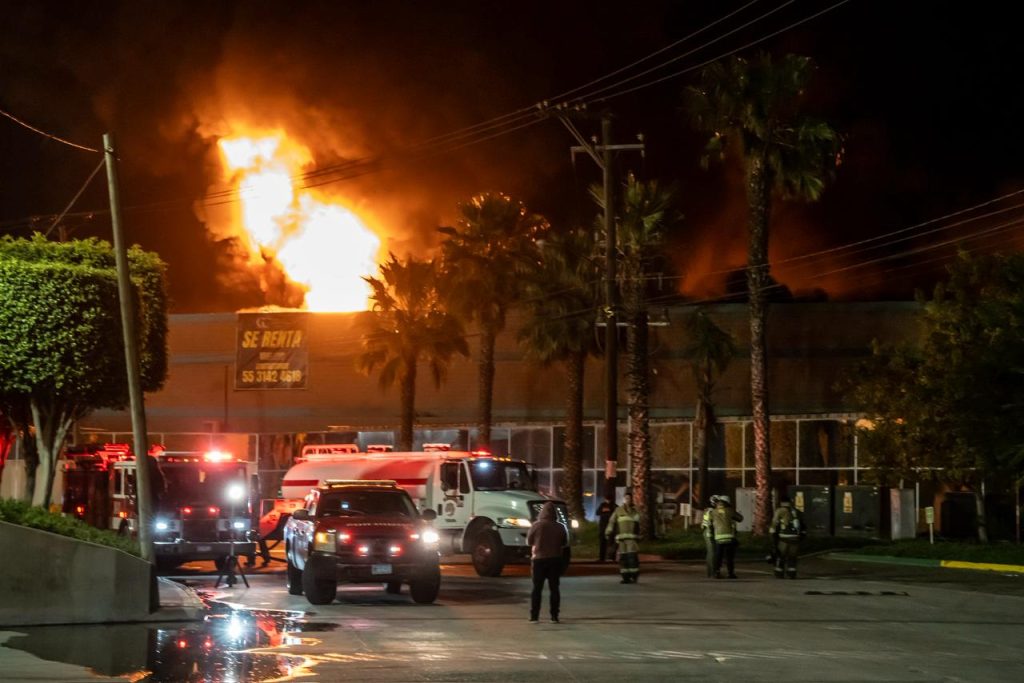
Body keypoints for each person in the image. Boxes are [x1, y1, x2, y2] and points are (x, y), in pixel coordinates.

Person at [526, 501, 568, 623]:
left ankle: (534, 616)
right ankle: (554, 616)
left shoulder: (536, 525)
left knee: (537, 589)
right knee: (554, 588)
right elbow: (564, 543)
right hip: (555, 559)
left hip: (539, 560)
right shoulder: (560, 526)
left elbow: (529, 541)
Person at [606, 491, 641, 584]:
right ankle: (625, 577)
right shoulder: (618, 510)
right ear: (624, 499)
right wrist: (608, 532)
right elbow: (612, 522)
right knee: (623, 559)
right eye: (626, 498)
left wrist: (639, 536)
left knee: (632, 558)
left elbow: (638, 525)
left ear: (631, 499)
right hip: (621, 540)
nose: (627, 500)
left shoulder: (635, 511)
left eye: (629, 498)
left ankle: (634, 576)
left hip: (631, 540)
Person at [770, 494, 805, 579]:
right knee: (792, 556)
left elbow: (774, 525)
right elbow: (803, 525)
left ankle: (779, 572)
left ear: (782, 502)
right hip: (795, 538)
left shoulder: (780, 511)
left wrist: (772, 537)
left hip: (784, 538)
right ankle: (792, 573)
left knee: (781, 556)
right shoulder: (797, 511)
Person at [709, 495, 743, 579]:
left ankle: (716, 572)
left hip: (718, 538)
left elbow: (710, 524)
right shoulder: (730, 510)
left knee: (718, 556)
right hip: (729, 537)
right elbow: (740, 518)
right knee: (729, 557)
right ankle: (730, 573)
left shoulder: (713, 512)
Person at [700, 495, 719, 578]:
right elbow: (712, 522)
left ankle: (710, 572)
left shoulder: (708, 510)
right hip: (709, 531)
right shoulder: (712, 511)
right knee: (712, 553)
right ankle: (713, 573)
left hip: (706, 531)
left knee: (710, 552)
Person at [596, 497, 615, 562]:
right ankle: (602, 558)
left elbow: (615, 514)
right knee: (603, 543)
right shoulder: (602, 505)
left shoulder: (614, 506)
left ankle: (611, 557)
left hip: (610, 527)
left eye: (608, 499)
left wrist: (606, 511)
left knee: (610, 543)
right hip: (603, 527)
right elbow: (597, 512)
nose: (607, 501)